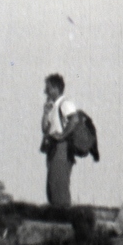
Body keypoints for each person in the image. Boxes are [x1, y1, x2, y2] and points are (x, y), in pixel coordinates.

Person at [41, 73, 78, 207]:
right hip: (53, 148)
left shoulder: (65, 103)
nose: (46, 91)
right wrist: (45, 113)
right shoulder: (53, 106)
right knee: (52, 184)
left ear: (56, 88)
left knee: (59, 184)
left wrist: (62, 136)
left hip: (62, 148)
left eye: (48, 88)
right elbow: (45, 129)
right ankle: (58, 218)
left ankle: (63, 220)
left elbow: (74, 120)